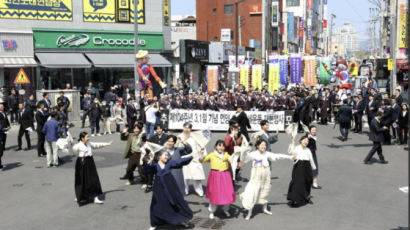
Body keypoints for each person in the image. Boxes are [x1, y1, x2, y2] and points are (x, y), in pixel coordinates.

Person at [240, 139, 292, 220]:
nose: (263, 146)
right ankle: (249, 212)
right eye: (262, 144)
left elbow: (277, 156)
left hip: (266, 175)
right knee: (252, 193)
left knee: (265, 191)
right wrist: (244, 150)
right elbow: (244, 158)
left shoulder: (267, 153)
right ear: (257, 146)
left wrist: (289, 157)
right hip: (256, 177)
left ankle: (264, 209)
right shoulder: (253, 154)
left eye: (265, 145)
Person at [143, 151, 194, 230]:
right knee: (155, 207)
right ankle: (153, 224)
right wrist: (149, 162)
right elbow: (146, 170)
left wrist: (191, 156)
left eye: (167, 155)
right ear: (159, 157)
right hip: (159, 190)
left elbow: (179, 162)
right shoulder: (155, 166)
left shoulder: (169, 164)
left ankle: (182, 220)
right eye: (165, 155)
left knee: (177, 204)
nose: (167, 157)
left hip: (171, 189)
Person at [73, 132, 113, 206]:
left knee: (93, 179)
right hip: (81, 164)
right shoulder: (77, 146)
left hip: (90, 163)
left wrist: (107, 144)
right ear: (82, 138)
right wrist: (69, 145)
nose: (88, 138)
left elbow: (97, 145)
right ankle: (79, 196)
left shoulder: (89, 144)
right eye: (87, 137)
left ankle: (95, 197)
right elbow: (73, 150)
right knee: (81, 180)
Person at [199, 140, 235, 219]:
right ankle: (212, 211)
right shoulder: (212, 155)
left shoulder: (226, 154)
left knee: (228, 193)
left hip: (225, 175)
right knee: (214, 194)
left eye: (223, 146)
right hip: (215, 176)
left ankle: (225, 209)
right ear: (216, 146)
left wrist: (236, 155)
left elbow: (232, 160)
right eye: (219, 145)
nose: (221, 147)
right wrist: (201, 154)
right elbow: (202, 160)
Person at [287, 136, 317, 207]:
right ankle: (294, 199)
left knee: (308, 181)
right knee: (297, 182)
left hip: (307, 166)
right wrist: (292, 143)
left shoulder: (308, 150)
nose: (306, 142)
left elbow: (311, 159)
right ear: (301, 141)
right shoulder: (296, 148)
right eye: (304, 140)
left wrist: (314, 168)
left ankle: (307, 197)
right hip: (298, 166)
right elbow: (291, 153)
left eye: (307, 141)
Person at [179, 122, 206, 196]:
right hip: (184, 158)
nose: (187, 129)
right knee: (184, 176)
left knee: (197, 177)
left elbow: (200, 146)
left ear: (191, 129)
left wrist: (201, 152)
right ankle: (185, 190)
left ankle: (199, 190)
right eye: (185, 127)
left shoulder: (195, 137)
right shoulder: (179, 137)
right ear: (183, 128)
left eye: (188, 128)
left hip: (194, 157)